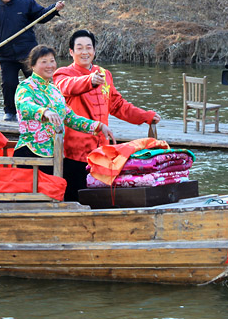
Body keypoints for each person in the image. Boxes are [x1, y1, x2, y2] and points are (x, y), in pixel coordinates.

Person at [53, 30, 160, 200]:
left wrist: (145, 116)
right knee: (73, 198)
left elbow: (118, 105)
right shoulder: (63, 74)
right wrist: (89, 80)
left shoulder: (104, 74)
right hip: (74, 152)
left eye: (88, 47)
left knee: (99, 198)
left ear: (94, 51)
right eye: (79, 48)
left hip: (101, 151)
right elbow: (66, 87)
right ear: (71, 52)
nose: (84, 52)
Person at [14, 44, 115, 179]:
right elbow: (24, 105)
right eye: (44, 62)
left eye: (52, 61)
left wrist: (99, 126)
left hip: (54, 153)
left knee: (52, 195)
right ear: (32, 65)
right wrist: (45, 112)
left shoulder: (54, 90)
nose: (49, 65)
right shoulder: (26, 87)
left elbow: (70, 117)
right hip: (31, 151)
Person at [0, 0, 66, 122]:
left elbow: (41, 16)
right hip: (6, 55)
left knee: (37, 81)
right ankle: (10, 112)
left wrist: (53, 9)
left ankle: (46, 109)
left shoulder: (25, 3)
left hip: (29, 54)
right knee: (9, 83)